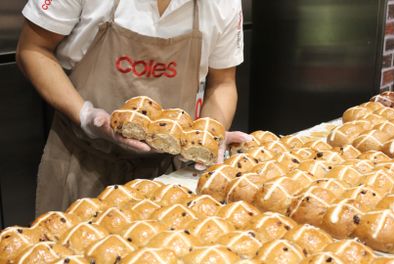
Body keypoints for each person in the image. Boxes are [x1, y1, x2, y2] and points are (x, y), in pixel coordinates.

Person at [16, 0, 251, 216]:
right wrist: (86, 116)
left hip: (169, 176)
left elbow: (222, 83)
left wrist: (210, 133)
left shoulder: (223, 4)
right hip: (81, 163)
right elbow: (33, 50)